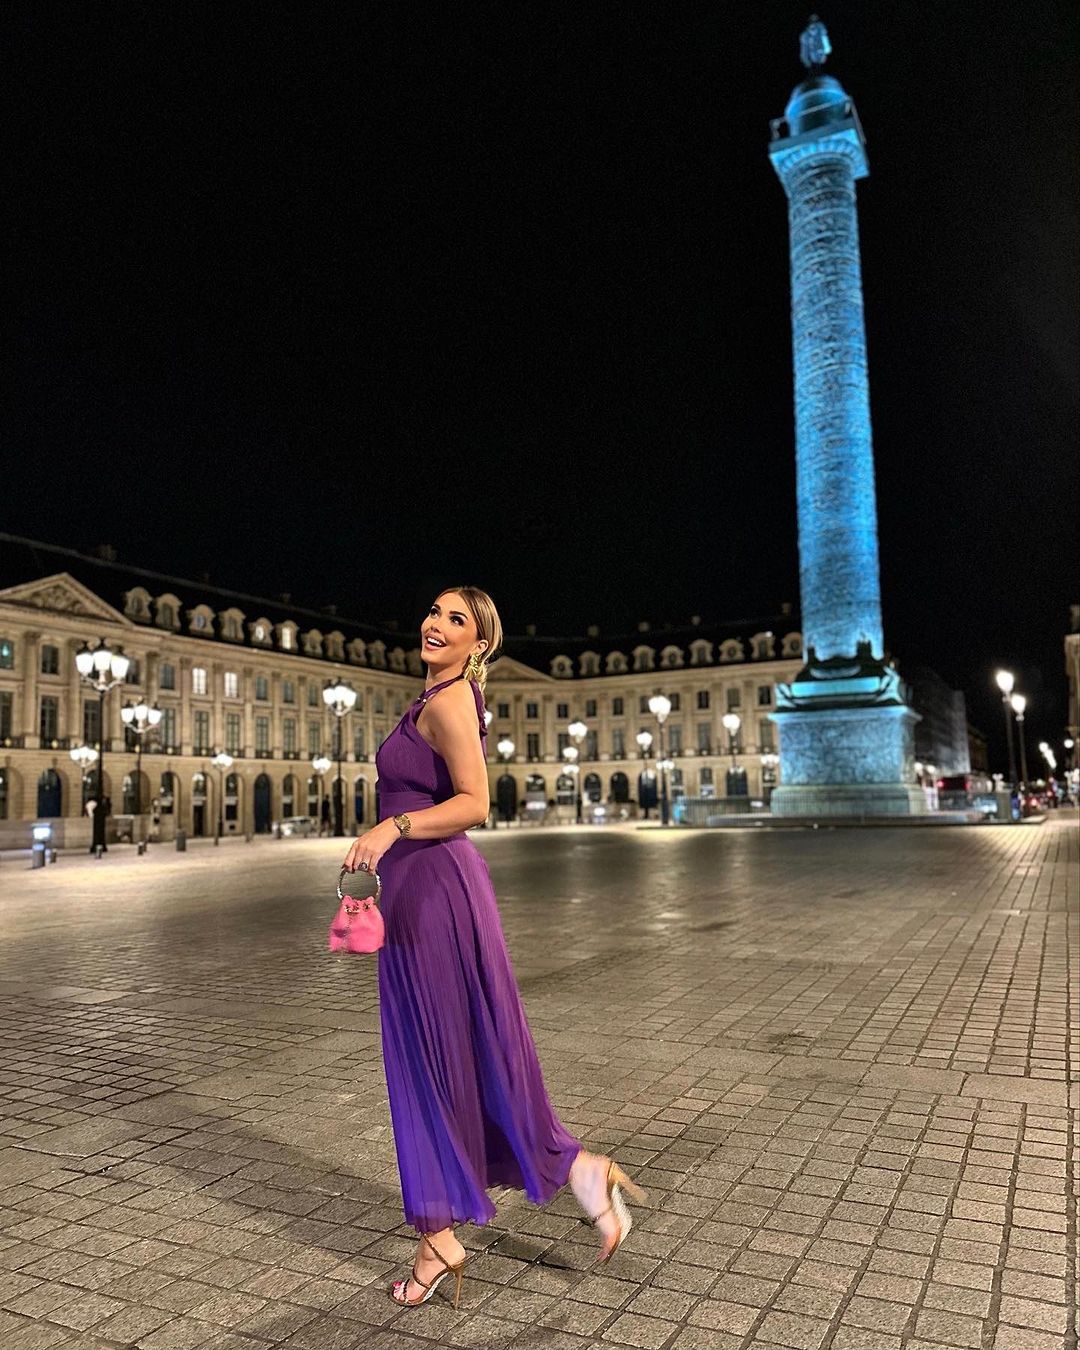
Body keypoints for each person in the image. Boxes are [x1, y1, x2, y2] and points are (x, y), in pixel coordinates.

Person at [344, 587, 645, 1310]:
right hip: (422, 887)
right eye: (435, 611)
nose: (436, 624)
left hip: (433, 887)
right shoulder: (438, 698)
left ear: (479, 644)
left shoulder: (450, 701)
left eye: (458, 620)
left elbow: (475, 802)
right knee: (457, 1050)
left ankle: (439, 1236)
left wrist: (389, 829)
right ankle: (574, 1173)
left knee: (428, 1057)